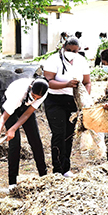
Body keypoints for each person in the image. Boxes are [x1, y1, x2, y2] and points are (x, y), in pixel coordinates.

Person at [0, 77, 50, 189]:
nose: (35, 99)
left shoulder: (44, 93)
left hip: (25, 109)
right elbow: (3, 118)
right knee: (15, 143)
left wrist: (14, 128)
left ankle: (44, 177)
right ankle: (12, 182)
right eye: (34, 96)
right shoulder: (18, 94)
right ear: (30, 88)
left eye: (37, 98)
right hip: (11, 106)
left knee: (35, 140)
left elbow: (27, 113)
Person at [43, 37, 91, 177]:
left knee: (69, 135)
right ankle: (57, 169)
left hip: (72, 101)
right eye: (69, 50)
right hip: (54, 100)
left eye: (75, 51)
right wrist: (66, 84)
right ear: (63, 47)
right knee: (59, 133)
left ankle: (66, 168)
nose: (71, 52)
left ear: (79, 50)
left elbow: (87, 82)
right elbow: (48, 81)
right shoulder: (53, 60)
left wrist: (84, 99)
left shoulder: (81, 61)